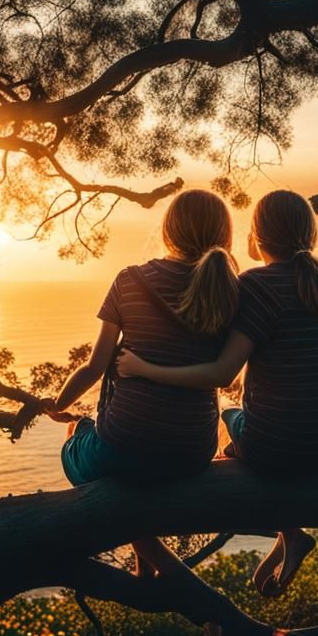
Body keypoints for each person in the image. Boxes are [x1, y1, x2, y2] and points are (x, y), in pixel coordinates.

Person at [117, 189, 318, 596]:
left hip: (276, 451)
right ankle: (291, 534)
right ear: (310, 236)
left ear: (256, 238)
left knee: (231, 416)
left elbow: (223, 371)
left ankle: (288, 529)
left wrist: (148, 369)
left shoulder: (256, 286)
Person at [44, 188, 240, 577]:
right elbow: (232, 370)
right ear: (223, 234)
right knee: (140, 459)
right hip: (192, 451)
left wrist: (54, 403)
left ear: (169, 231)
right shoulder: (232, 289)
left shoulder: (129, 280)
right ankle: (147, 569)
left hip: (124, 445)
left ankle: (151, 563)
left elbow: (94, 368)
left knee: (76, 439)